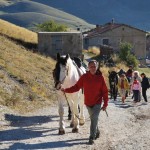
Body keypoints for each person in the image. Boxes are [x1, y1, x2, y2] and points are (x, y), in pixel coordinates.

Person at [61, 60, 108, 145]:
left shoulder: (100, 78)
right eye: (91, 66)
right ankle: (97, 132)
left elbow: (105, 92)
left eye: (94, 66)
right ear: (88, 67)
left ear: (97, 67)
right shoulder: (84, 77)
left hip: (97, 102)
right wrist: (66, 90)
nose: (93, 68)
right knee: (94, 119)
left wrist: (105, 104)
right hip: (88, 103)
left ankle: (91, 137)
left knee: (94, 118)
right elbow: (76, 87)